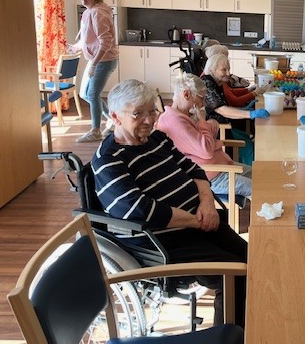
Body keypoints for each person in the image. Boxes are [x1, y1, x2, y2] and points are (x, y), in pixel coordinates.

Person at [91, 79, 247, 327]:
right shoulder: (108, 160)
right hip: (165, 241)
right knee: (234, 276)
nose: (149, 120)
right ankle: (230, 337)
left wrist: (207, 204)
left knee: (252, 258)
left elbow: (194, 169)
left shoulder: (157, 139)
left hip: (200, 221)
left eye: (152, 111)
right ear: (115, 117)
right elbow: (140, 210)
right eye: (138, 113)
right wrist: (196, 221)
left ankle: (250, 324)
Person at [156, 73, 252, 198]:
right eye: (201, 98)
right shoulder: (175, 121)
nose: (203, 104)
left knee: (260, 176)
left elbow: (208, 138)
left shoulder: (183, 115)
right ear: (186, 94)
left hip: (221, 167)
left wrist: (207, 126)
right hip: (210, 176)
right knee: (259, 188)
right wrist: (202, 121)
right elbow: (206, 150)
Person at [68, 0, 118, 142]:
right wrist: (76, 47)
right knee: (85, 94)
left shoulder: (98, 13)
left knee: (93, 94)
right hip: (97, 59)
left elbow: (105, 42)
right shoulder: (89, 12)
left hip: (104, 60)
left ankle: (95, 130)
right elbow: (88, 39)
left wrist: (94, 64)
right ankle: (113, 118)